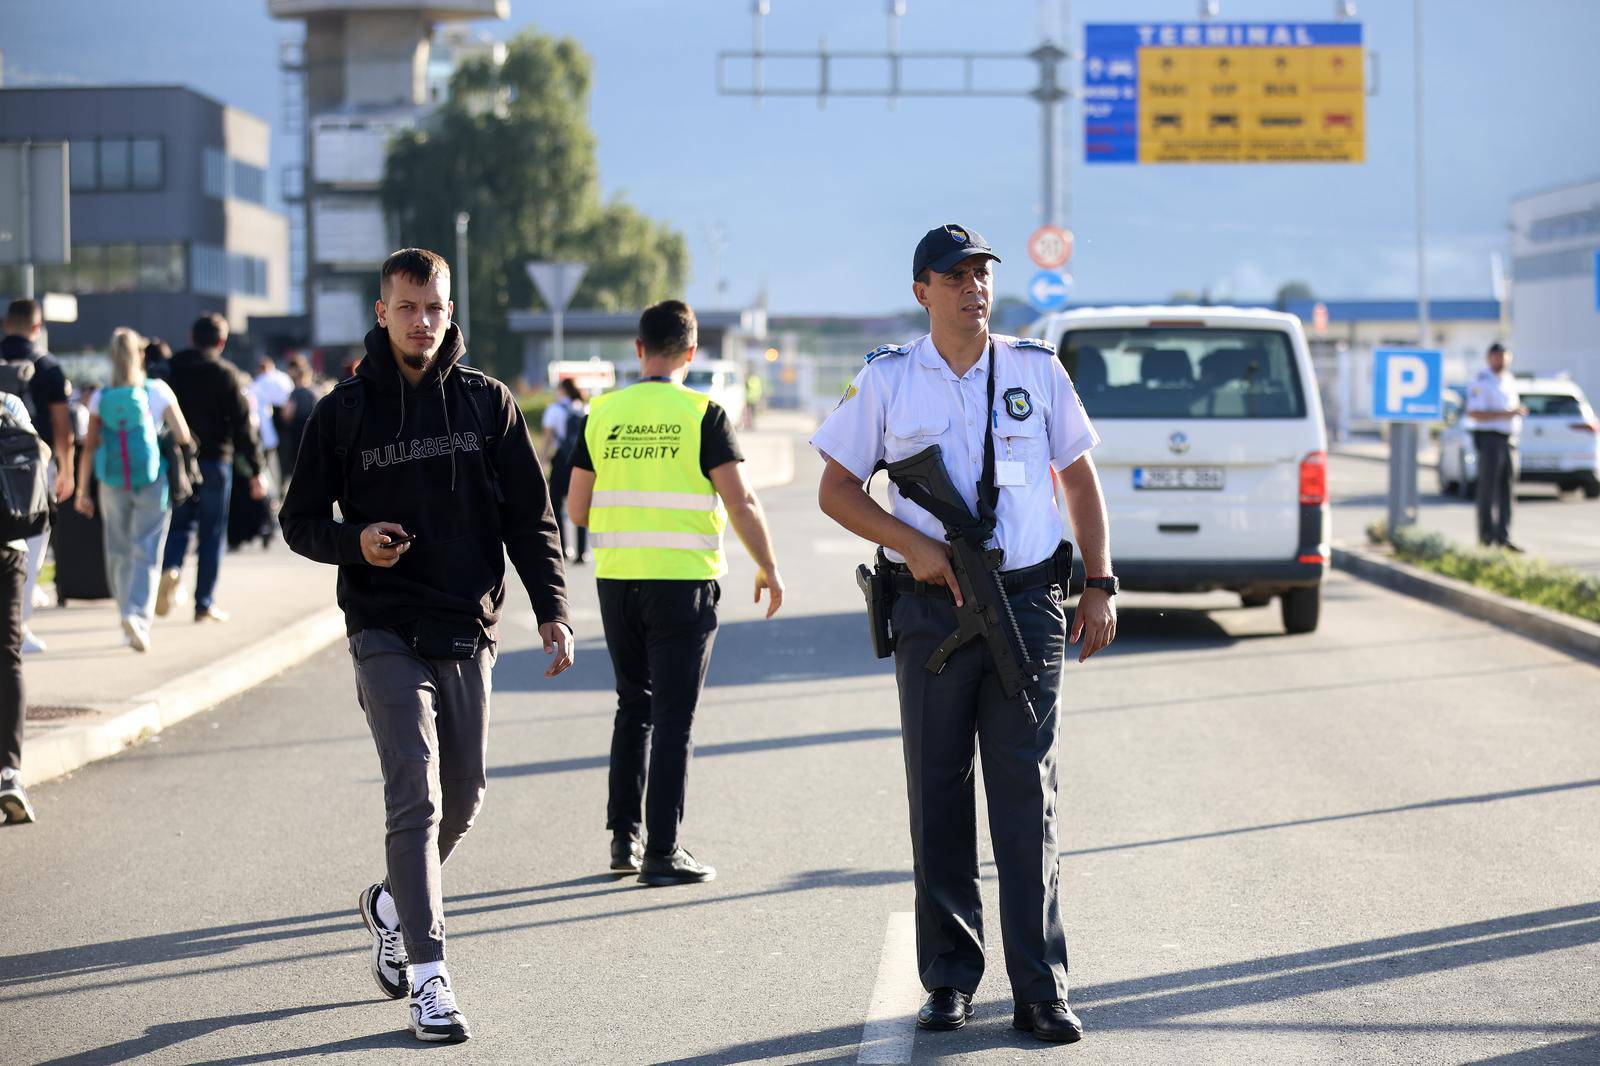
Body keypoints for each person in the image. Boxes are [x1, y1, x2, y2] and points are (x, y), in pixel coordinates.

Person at [810, 224, 1117, 1044]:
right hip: (928, 608)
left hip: (1024, 605)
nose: (974, 287)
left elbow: (1079, 478)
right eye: (956, 276)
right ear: (923, 291)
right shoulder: (887, 381)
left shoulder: (1034, 370)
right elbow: (836, 490)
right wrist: (910, 542)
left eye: (982, 273)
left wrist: (1098, 583)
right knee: (938, 792)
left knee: (1027, 796)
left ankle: (1041, 989)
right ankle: (948, 979)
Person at [280, 247, 573, 1045]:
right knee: (416, 788)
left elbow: (531, 517)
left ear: (451, 313)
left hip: (468, 622)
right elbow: (298, 521)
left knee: (465, 794)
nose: (421, 321)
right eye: (406, 307)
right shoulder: (342, 413)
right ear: (382, 312)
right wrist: (354, 542)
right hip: (382, 626)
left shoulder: (489, 404)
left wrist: (552, 608)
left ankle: (389, 901)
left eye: (434, 308)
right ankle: (429, 975)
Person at [566, 300, 784, 885]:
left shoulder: (602, 412)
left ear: (639, 350)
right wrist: (766, 564)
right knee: (673, 716)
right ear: (691, 353)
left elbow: (577, 508)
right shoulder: (703, 413)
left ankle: (624, 840)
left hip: (616, 581)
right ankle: (664, 849)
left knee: (631, 705)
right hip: (682, 583)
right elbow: (740, 500)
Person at [72, 328, 193, 652]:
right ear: (141, 355)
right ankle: (137, 617)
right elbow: (183, 435)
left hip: (112, 481)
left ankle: (125, 612)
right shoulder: (157, 390)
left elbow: (90, 447)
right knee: (147, 550)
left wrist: (82, 490)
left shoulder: (101, 397)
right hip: (151, 480)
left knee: (118, 550)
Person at [156, 313, 266, 623]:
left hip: (180, 459)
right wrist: (256, 471)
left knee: (180, 523)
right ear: (221, 341)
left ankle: (172, 568)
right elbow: (244, 427)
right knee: (212, 532)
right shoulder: (227, 374)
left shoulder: (171, 369)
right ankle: (203, 602)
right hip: (218, 461)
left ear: (192, 336)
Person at [2, 299, 76, 653]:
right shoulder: (47, 365)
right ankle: (21, 624)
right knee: (30, 545)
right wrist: (66, 468)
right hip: (32, 467)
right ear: (37, 327)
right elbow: (62, 424)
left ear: (6, 325)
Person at [0, 388, 42, 824]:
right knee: (8, 655)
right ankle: (9, 772)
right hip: (9, 546)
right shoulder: (8, 403)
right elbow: (37, 456)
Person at [1466, 342, 1527, 551]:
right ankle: (1486, 537)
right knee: (1487, 490)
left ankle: (1503, 536)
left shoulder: (1508, 379)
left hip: (1509, 440)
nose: (1501, 360)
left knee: (1507, 490)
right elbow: (1475, 413)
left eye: (1504, 356)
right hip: (1490, 439)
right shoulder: (1482, 380)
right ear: (1489, 358)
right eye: (1497, 356)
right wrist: (1507, 414)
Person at [541, 378, 589, 564]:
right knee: (580, 503)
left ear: (562, 390)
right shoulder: (584, 408)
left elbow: (548, 438)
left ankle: (562, 548)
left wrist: (543, 460)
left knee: (556, 505)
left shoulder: (554, 410)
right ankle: (582, 551)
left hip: (561, 460)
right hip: (580, 461)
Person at [279, 357, 319, 481]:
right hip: (312, 433)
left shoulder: (295, 393)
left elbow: (287, 415)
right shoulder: (314, 392)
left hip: (296, 434)